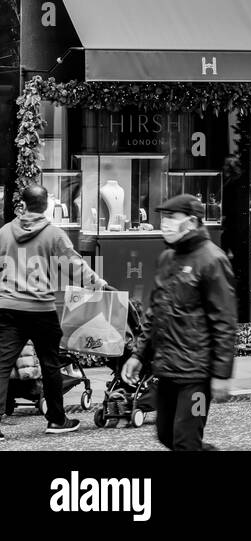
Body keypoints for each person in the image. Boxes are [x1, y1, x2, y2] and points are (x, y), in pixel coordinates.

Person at [123, 194, 238, 450]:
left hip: (196, 374)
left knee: (186, 441)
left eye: (172, 217)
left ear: (192, 221)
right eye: (164, 217)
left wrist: (221, 374)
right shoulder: (167, 258)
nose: (165, 223)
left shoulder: (213, 260)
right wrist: (138, 355)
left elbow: (224, 322)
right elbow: (155, 313)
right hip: (167, 370)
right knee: (166, 436)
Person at [0, 185, 108, 439]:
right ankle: (57, 420)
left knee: (1, 366)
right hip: (41, 309)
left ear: (22, 205)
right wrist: (99, 284)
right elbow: (74, 266)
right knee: (50, 365)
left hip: (8, 308)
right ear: (46, 206)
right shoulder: (54, 234)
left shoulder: (4, 233)